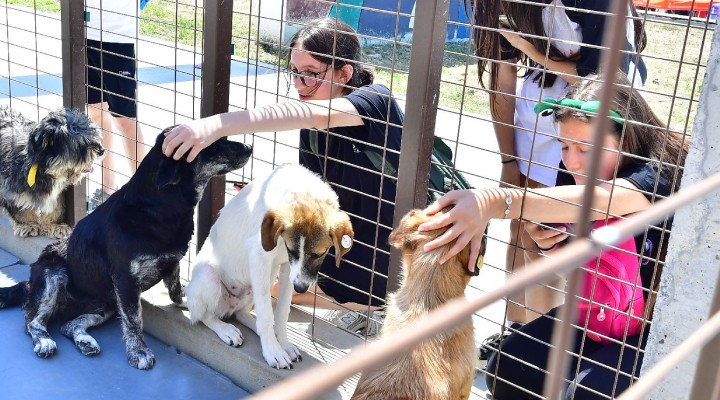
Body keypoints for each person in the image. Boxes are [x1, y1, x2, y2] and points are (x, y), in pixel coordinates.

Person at [419, 72, 688, 399]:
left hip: (651, 330)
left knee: (586, 393)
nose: (572, 161)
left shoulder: (654, 174)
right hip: (595, 314)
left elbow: (604, 200)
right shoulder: (575, 171)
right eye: (564, 145)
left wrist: (497, 202)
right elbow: (577, 269)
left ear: (626, 141)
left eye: (586, 149)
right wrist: (553, 246)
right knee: (509, 366)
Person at [161, 18, 403, 336]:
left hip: (398, 245)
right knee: (273, 271)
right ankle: (365, 303)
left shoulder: (375, 102)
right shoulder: (315, 130)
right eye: (295, 72)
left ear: (344, 73)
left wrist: (215, 126)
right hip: (348, 237)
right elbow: (317, 198)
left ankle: (377, 305)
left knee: (278, 276)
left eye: (312, 75)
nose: (301, 85)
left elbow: (305, 114)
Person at [469, 0, 649, 354]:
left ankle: (559, 333)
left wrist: (530, 50)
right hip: (537, 133)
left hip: (589, 133)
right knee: (525, 231)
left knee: (570, 242)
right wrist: (509, 159)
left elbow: (606, 83)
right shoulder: (498, 6)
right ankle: (519, 330)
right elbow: (500, 79)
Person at [86, 0, 147, 205]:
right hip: (83, 30)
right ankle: (107, 185)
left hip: (117, 35)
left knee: (125, 120)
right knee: (95, 111)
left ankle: (143, 193)